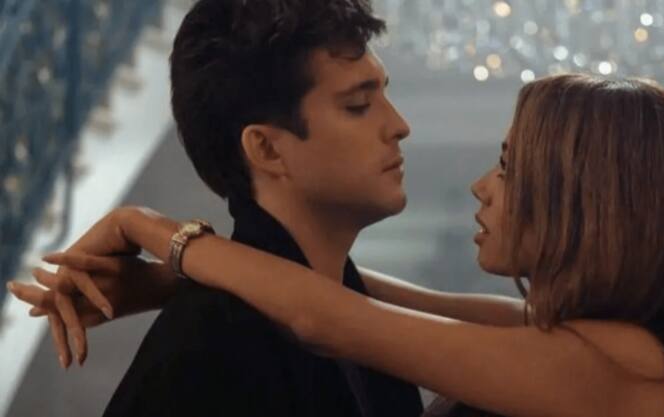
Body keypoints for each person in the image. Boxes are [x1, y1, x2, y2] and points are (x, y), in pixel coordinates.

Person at [11, 74, 664, 417]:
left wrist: (149, 227)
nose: (483, 187)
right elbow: (346, 290)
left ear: (585, 202)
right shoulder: (570, 340)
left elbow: (328, 319)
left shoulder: (616, 367)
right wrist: (169, 282)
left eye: (510, 167)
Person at [7, 0, 428, 416]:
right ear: (266, 149)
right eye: (358, 105)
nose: (399, 125)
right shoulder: (212, 347)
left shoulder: (363, 328)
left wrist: (169, 252)